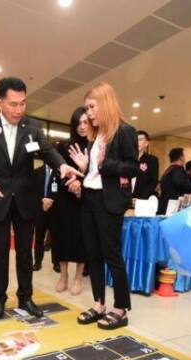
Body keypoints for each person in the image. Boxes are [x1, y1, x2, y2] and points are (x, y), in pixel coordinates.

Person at [0, 77, 83, 320]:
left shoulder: (32, 127)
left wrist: (62, 165)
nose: (19, 109)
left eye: (23, 103)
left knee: (25, 252)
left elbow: (47, 150)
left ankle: (25, 297)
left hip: (25, 200)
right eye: (13, 104)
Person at [67, 82, 138, 330]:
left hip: (109, 202)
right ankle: (99, 304)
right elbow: (95, 172)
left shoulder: (125, 131)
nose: (88, 114)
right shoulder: (95, 136)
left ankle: (121, 308)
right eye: (87, 108)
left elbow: (132, 167)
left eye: (91, 107)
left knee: (112, 255)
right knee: (92, 255)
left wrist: (104, 164)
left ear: (106, 103)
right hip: (89, 198)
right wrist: (85, 169)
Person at [52, 107, 88, 295]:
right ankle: (63, 276)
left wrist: (81, 183)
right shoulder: (64, 146)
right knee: (62, 236)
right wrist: (71, 183)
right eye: (78, 123)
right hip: (65, 197)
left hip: (85, 199)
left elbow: (98, 174)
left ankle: (78, 278)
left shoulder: (95, 146)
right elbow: (57, 172)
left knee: (82, 238)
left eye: (85, 122)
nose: (82, 127)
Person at [157, 148, 191, 214]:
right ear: (181, 157)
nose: (185, 158)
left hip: (164, 203)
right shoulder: (177, 169)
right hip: (172, 205)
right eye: (184, 156)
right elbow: (180, 183)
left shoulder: (169, 169)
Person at [32, 162, 54, 272]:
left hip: (54, 209)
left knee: (56, 237)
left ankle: (56, 263)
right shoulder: (37, 172)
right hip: (40, 209)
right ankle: (37, 262)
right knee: (39, 237)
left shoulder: (59, 172)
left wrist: (51, 201)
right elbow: (33, 191)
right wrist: (42, 200)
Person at [132, 130, 160, 199]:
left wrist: (141, 198)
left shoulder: (152, 160)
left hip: (142, 199)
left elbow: (153, 182)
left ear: (146, 143)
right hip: (125, 198)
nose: (137, 142)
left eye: (140, 140)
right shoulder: (127, 158)